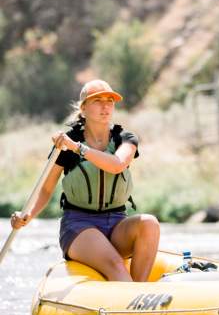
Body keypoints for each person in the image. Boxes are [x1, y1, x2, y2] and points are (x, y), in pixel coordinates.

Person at [10, 79, 159, 281]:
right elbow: (46, 190)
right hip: (79, 225)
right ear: (83, 108)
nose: (105, 106)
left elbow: (117, 164)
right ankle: (132, 301)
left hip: (117, 223)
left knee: (149, 223)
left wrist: (78, 148)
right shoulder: (67, 143)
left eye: (110, 100)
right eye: (97, 100)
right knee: (116, 265)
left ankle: (139, 299)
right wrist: (26, 215)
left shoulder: (125, 138)